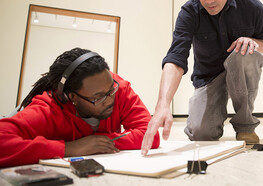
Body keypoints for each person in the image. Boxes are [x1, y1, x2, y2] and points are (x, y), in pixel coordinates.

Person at [141, 0, 263, 155]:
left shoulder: (251, 6)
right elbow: (175, 58)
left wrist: (253, 42)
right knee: (200, 133)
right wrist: (163, 104)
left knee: (244, 52)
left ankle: (245, 127)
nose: (209, 0)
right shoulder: (189, 12)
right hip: (209, 78)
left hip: (241, 67)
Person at [0, 48, 160, 168]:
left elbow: (150, 135)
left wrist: (99, 143)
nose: (110, 99)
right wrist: (69, 148)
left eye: (111, 90)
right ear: (73, 97)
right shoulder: (47, 109)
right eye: (98, 97)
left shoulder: (118, 88)